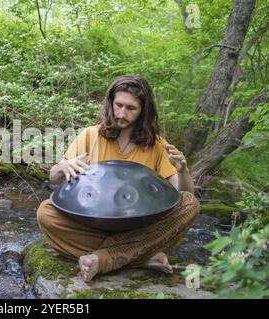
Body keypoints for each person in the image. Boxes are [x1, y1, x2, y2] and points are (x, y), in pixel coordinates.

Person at [37, 74, 200, 282]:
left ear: (143, 111)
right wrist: (63, 167)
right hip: (94, 221)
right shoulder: (90, 135)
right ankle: (141, 256)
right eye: (118, 105)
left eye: (131, 108)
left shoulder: (157, 144)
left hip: (140, 223)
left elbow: (183, 194)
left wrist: (182, 170)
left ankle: (103, 259)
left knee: (190, 204)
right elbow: (54, 178)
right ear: (110, 103)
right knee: (46, 212)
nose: (122, 113)